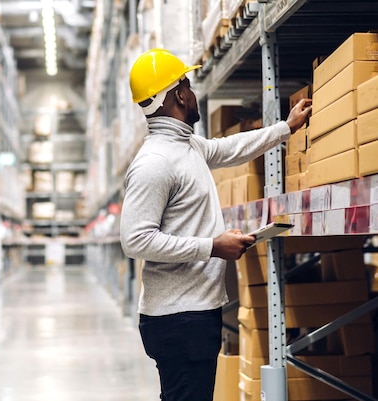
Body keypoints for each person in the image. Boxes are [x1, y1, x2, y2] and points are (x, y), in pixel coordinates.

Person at [119, 49, 311, 401]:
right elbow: (135, 240)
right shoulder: (155, 162)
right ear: (179, 95)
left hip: (191, 313)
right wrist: (212, 246)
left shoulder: (186, 145)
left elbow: (228, 149)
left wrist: (286, 128)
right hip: (179, 318)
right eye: (189, 87)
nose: (193, 95)